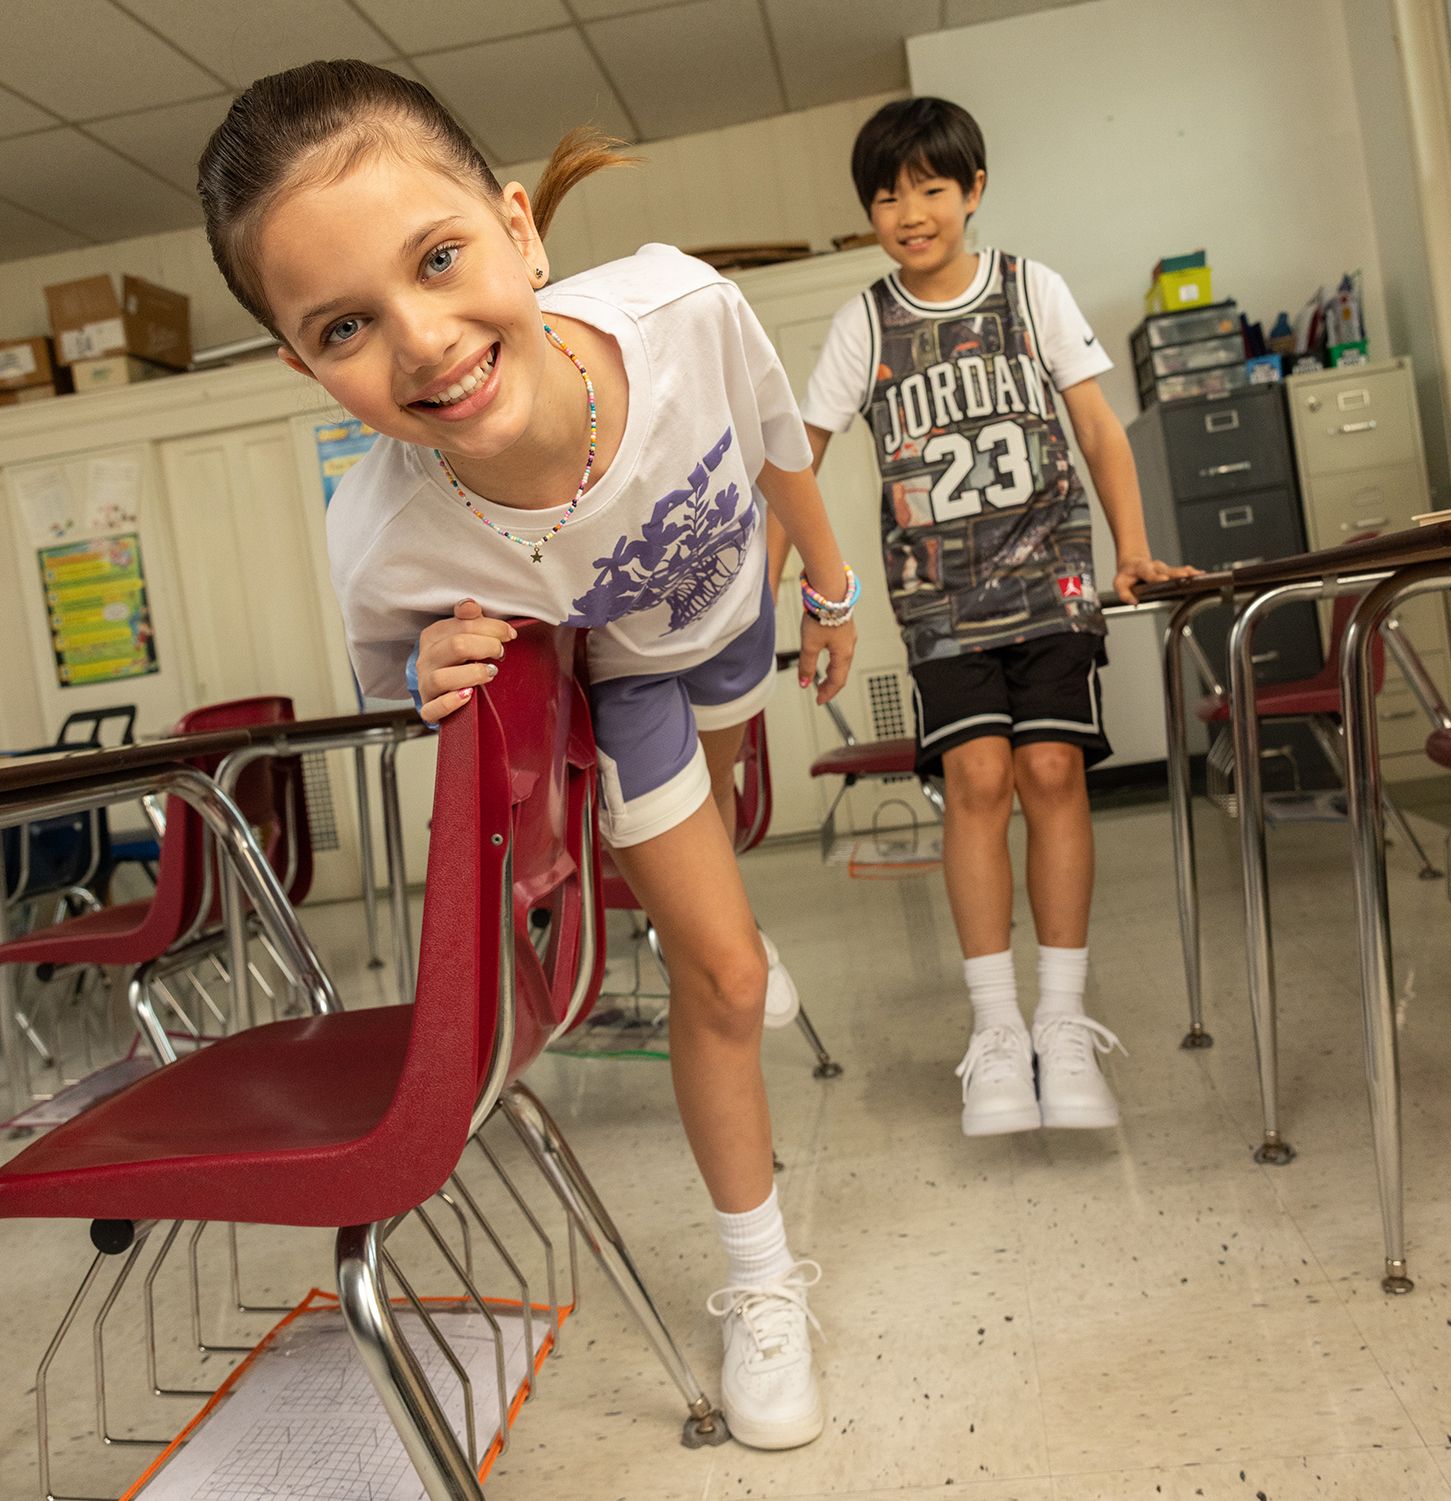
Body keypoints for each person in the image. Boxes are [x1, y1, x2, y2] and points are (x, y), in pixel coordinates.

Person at [196, 59, 860, 1451]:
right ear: (303, 365)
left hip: (731, 614)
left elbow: (782, 444)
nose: (425, 340)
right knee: (724, 976)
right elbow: (404, 711)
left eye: (439, 260)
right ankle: (759, 1284)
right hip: (625, 680)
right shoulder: (385, 537)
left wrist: (836, 588)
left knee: (741, 790)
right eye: (346, 325)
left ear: (517, 227)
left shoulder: (683, 311)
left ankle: (729, 925)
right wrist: (434, 678)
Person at [778, 97, 1195, 1138]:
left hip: (1051, 576)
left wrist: (1131, 547)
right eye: (885, 194)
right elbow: (796, 464)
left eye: (929, 186)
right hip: (938, 600)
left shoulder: (1029, 290)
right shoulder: (862, 323)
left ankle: (1060, 1020)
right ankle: (996, 1032)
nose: (908, 210)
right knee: (975, 778)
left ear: (971, 191)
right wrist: (785, 597)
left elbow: (1097, 430)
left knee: (1050, 771)